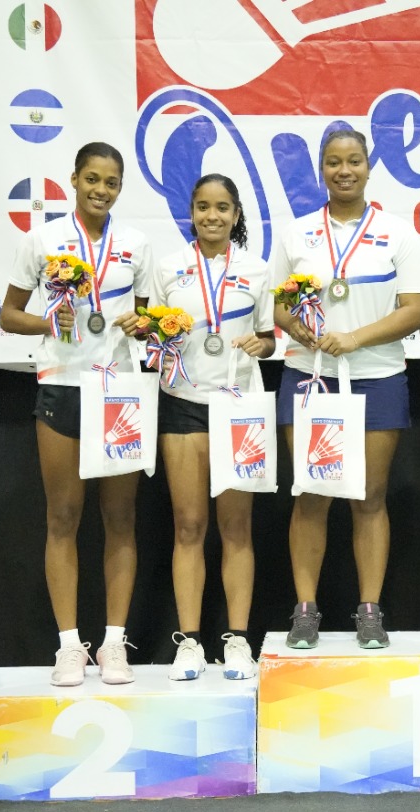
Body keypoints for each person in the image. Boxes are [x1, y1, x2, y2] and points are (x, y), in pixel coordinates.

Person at [0, 142, 153, 687]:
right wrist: (51, 323)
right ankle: (68, 646)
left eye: (111, 182)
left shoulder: (135, 244)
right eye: (92, 179)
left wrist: (143, 325)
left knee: (120, 519)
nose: (101, 190)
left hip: (118, 392)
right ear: (73, 180)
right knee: (62, 517)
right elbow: (10, 315)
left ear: (120, 188)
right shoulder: (41, 240)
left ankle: (114, 643)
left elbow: (153, 316)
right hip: (61, 386)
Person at [269, 127, 420, 649]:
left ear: (367, 167)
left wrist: (355, 338)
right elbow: (277, 307)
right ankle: (306, 610)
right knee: (312, 493)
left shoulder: (398, 234)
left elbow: (415, 311)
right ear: (321, 170)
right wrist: (298, 329)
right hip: (308, 376)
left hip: (377, 376)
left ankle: (369, 611)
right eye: (334, 162)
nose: (344, 170)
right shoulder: (297, 234)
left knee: (369, 496)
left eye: (354, 161)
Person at [147, 174, 273, 680]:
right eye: (203, 207)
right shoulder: (169, 268)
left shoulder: (258, 270)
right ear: (191, 213)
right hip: (183, 401)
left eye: (222, 207)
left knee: (237, 527)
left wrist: (260, 346)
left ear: (237, 214)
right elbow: (155, 334)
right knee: (188, 526)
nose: (213, 216)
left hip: (239, 403)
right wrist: (157, 337)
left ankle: (238, 641)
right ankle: (190, 643)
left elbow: (267, 337)